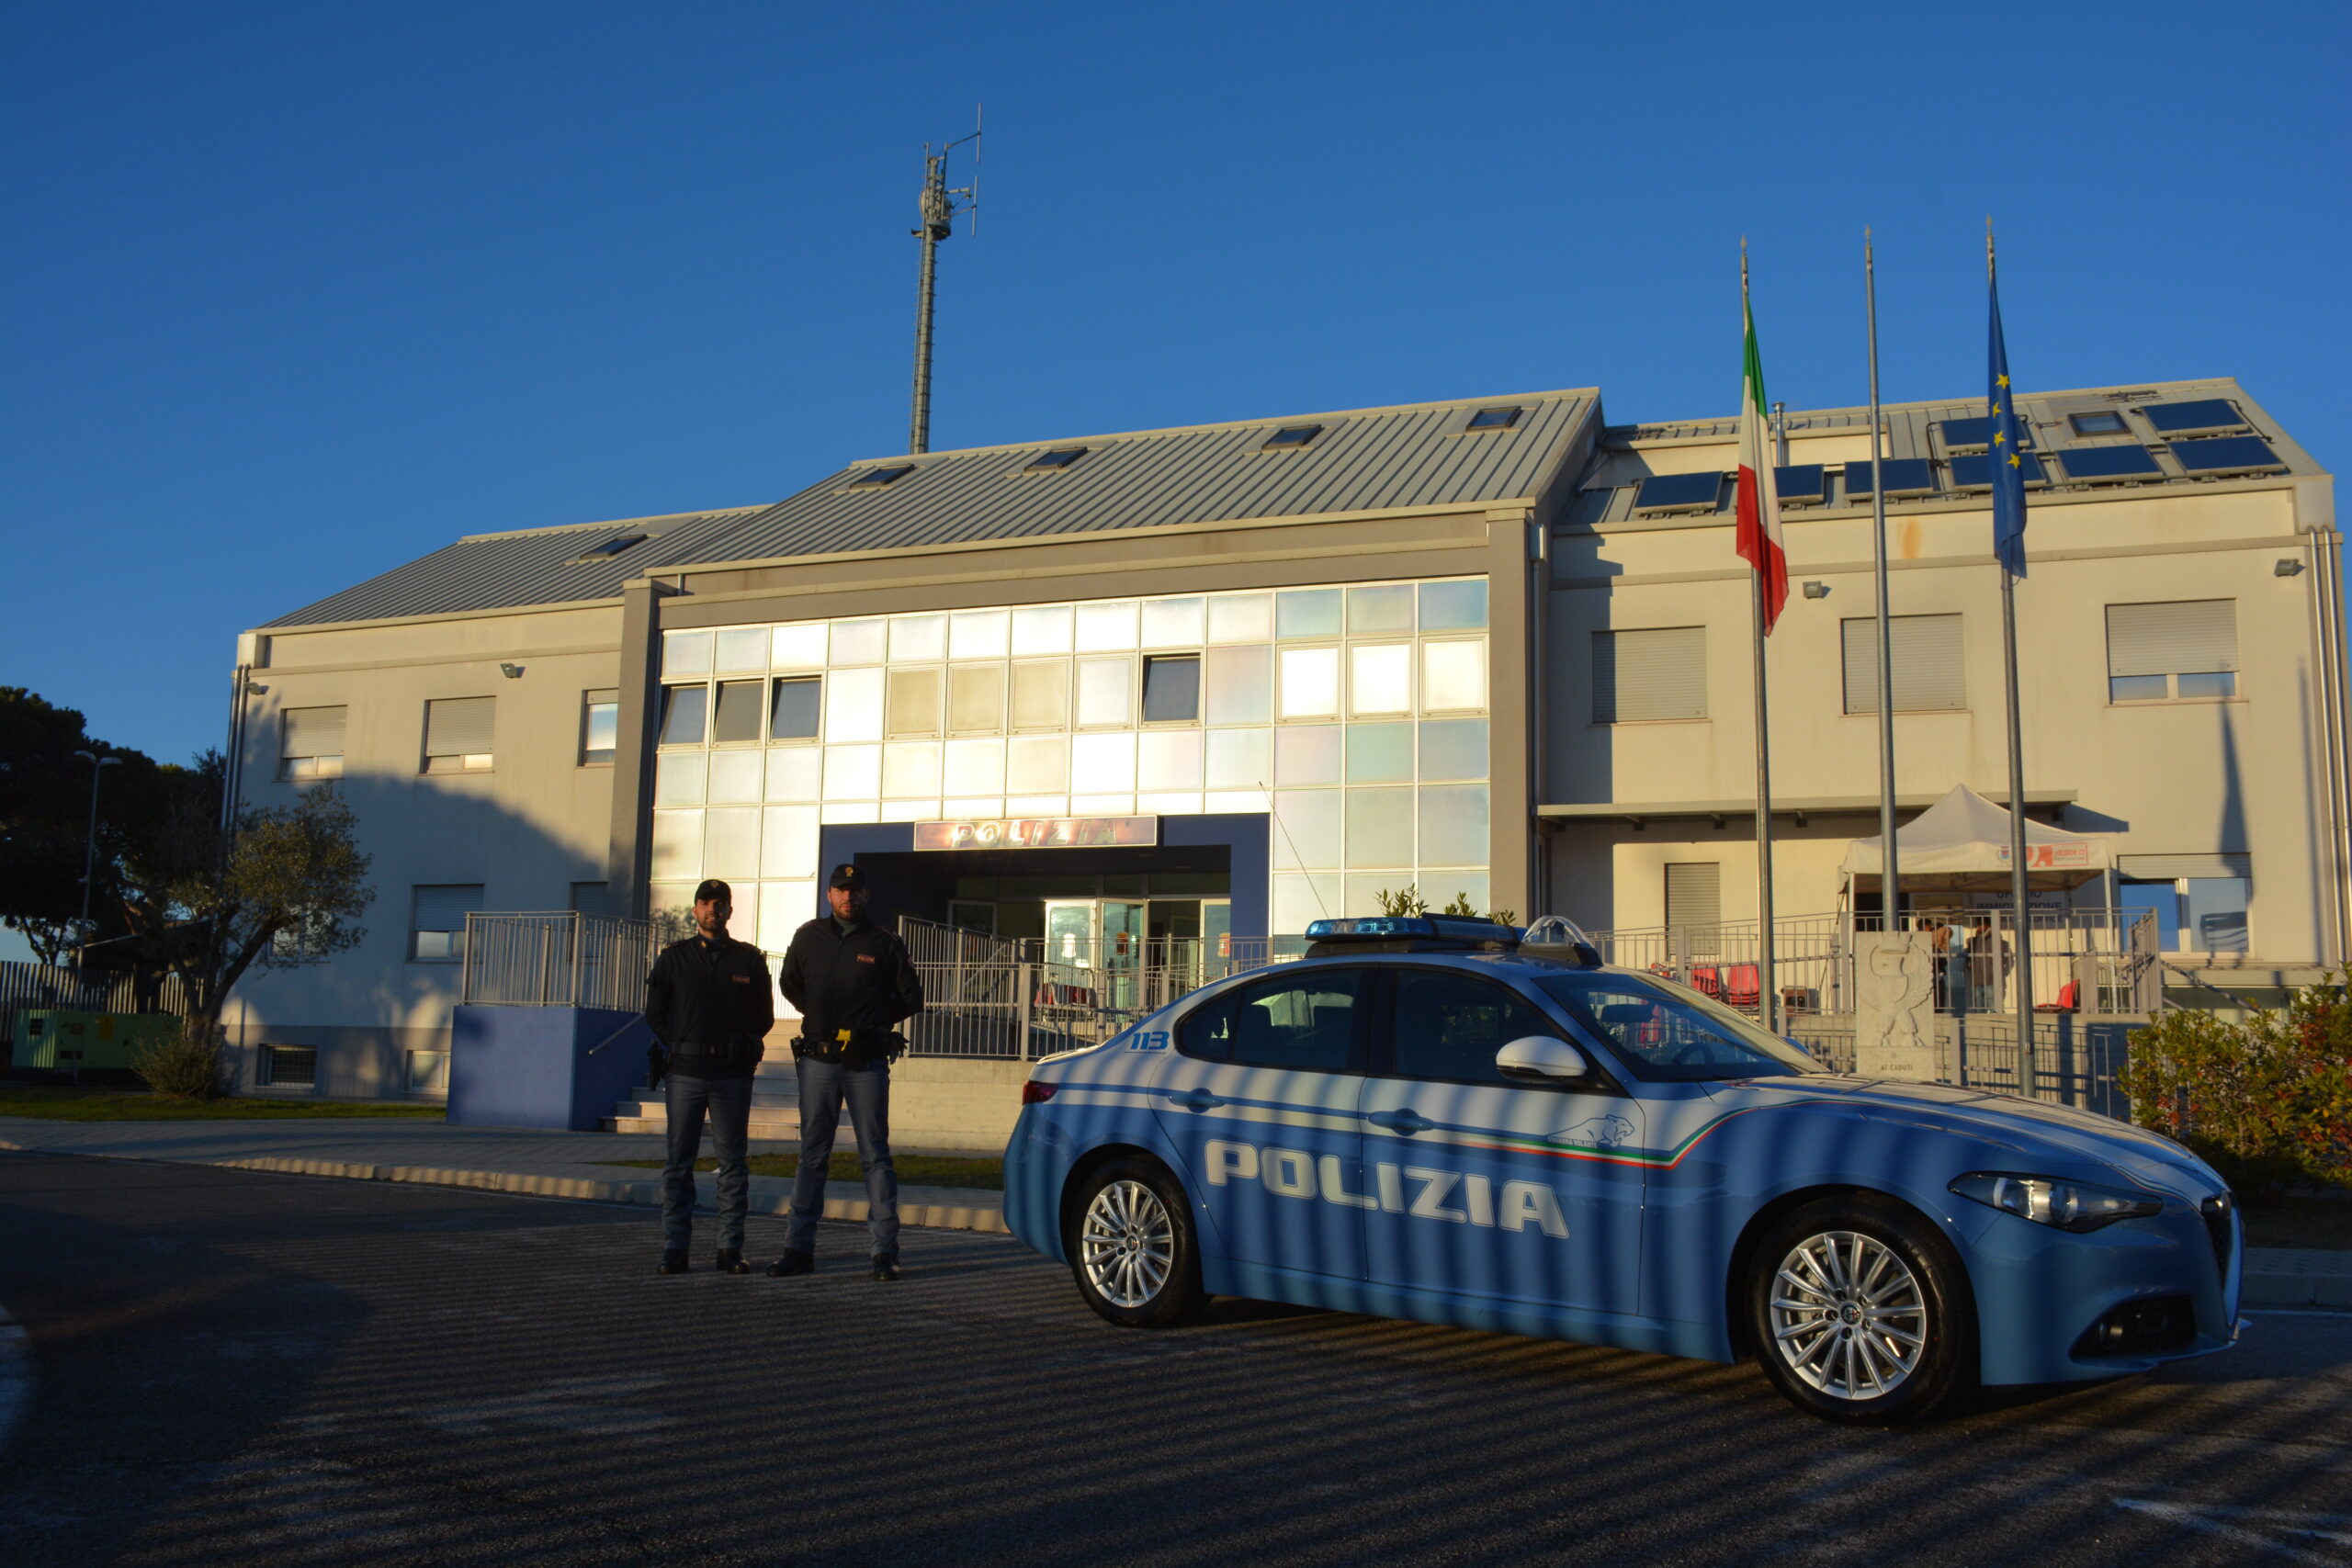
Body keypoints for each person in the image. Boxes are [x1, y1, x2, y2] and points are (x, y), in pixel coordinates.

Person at [771, 863, 924, 1281]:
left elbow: (912, 997)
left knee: (875, 1156)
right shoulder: (808, 936)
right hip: (819, 1061)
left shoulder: (885, 941)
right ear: (829, 895)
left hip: (865, 1063)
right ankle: (798, 1249)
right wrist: (818, 1014)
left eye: (855, 892)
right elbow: (789, 984)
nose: (848, 898)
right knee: (812, 1155)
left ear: (865, 897)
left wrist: (873, 1024)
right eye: (841, 891)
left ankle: (884, 1252)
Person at [644, 878, 773, 1277]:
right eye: (705, 903)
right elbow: (655, 1013)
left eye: (720, 904)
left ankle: (729, 1249)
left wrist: (741, 1044)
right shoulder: (673, 958)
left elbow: (763, 1017)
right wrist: (682, 1044)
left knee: (732, 1163)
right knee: (678, 1163)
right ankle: (674, 1249)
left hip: (732, 1075)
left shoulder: (748, 959)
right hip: (685, 1073)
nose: (713, 910)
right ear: (695, 910)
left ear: (730, 911)